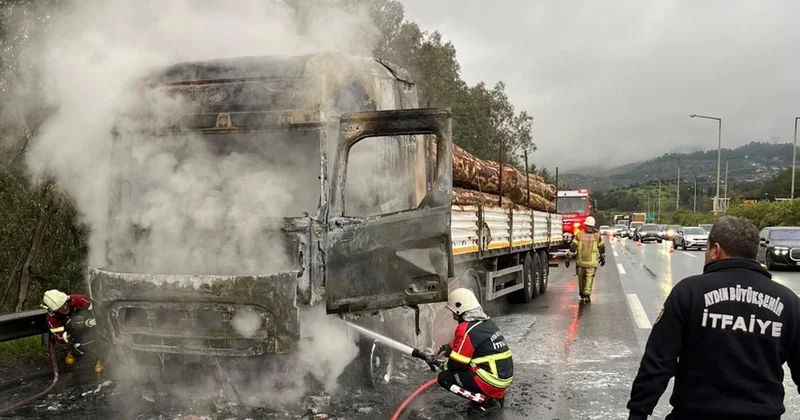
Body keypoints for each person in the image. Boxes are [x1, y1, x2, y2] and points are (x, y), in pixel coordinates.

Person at [626, 216, 800, 420]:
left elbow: (658, 362)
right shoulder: (788, 302)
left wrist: (638, 412)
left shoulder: (689, 292)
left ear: (716, 250)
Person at [434, 288, 513, 412]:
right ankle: (492, 396)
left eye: (454, 312)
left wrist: (444, 365)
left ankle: (485, 401)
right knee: (467, 366)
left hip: (491, 382)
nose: (453, 316)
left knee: (444, 378)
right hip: (502, 379)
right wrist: (446, 348)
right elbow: (465, 344)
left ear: (461, 309)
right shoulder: (486, 322)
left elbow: (458, 364)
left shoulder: (465, 328)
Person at [42, 289, 104, 373]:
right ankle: (73, 352)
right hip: (75, 334)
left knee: (102, 339)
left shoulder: (76, 299)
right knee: (82, 345)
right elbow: (58, 335)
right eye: (60, 308)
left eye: (64, 304)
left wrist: (95, 317)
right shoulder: (52, 318)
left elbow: (94, 306)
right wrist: (65, 336)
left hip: (93, 324)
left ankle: (101, 359)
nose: (64, 307)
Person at [565, 216, 605, 302]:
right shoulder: (597, 236)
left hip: (580, 263)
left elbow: (573, 247)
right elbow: (601, 247)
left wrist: (568, 257)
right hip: (591, 263)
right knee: (589, 278)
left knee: (581, 279)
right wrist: (603, 257)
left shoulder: (579, 235)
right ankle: (587, 294)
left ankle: (583, 293)